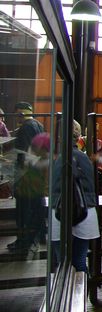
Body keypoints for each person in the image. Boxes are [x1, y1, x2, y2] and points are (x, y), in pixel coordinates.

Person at [51, 120, 99, 271]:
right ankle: (83, 286)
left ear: (59, 137)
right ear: (78, 138)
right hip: (85, 211)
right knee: (79, 261)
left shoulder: (58, 159)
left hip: (59, 212)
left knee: (62, 262)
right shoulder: (84, 159)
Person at [8, 101, 45, 252]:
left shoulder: (25, 128)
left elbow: (23, 154)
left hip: (26, 177)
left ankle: (24, 242)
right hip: (37, 174)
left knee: (23, 210)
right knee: (36, 207)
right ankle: (38, 237)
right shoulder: (39, 125)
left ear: (20, 113)